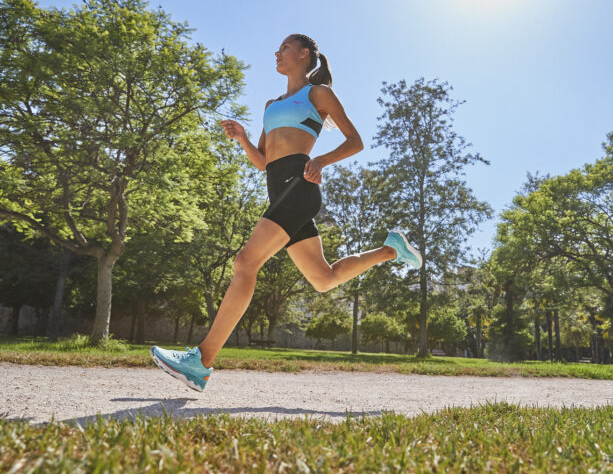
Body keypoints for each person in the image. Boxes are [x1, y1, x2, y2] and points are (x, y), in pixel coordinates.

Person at [149, 33, 422, 391]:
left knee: (245, 262)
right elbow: (263, 163)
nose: (277, 53)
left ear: (304, 54)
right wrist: (244, 139)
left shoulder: (317, 94)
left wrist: (322, 160)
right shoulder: (271, 104)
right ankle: (391, 249)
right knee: (324, 279)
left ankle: (202, 360)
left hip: (300, 186)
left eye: (285, 48)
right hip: (278, 191)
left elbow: (355, 141)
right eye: (278, 49)